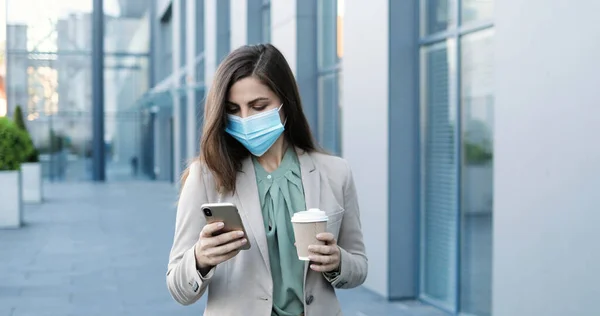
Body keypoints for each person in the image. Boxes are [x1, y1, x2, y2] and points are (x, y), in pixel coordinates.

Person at [166, 44, 367, 316]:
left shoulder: (335, 172)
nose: (245, 119)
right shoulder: (206, 175)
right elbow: (178, 287)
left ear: (286, 104)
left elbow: (359, 267)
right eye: (233, 109)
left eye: (259, 106)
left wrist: (338, 262)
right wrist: (200, 258)